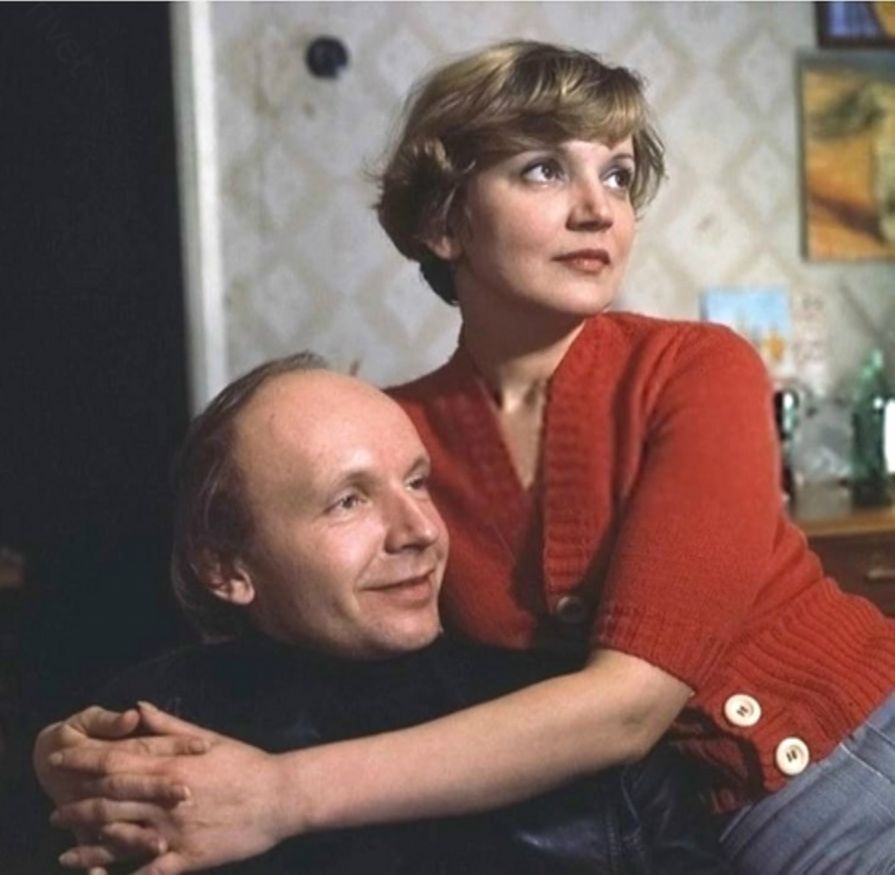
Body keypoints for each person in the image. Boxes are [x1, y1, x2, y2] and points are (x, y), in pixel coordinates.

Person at [38, 39, 895, 873]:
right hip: (713, 829)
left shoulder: (696, 368)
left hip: (864, 756)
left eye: (617, 174)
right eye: (544, 170)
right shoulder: (395, 439)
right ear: (442, 221)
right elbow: (288, 638)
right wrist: (78, 751)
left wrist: (281, 794)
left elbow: (629, 706)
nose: (597, 208)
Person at [36, 353, 730, 874]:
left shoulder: (577, 738)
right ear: (226, 567)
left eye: (417, 483)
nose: (420, 530)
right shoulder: (149, 737)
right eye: (349, 500)